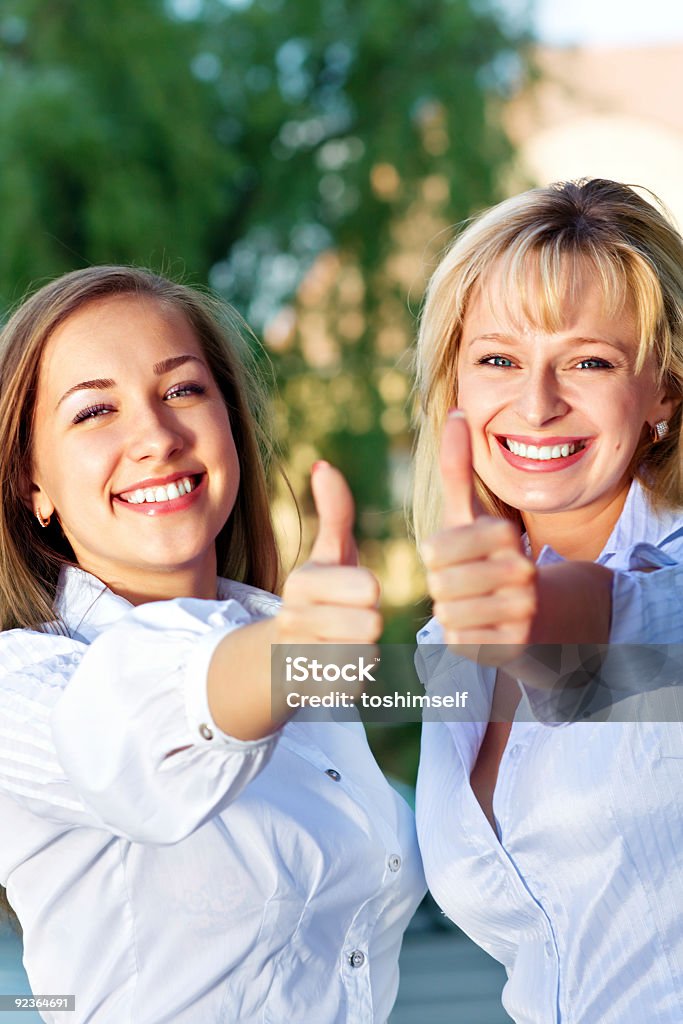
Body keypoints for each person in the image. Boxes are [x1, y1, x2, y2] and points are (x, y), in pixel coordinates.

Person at [0, 266, 424, 1023]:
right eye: (96, 410)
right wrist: (291, 651)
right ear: (33, 483)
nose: (156, 438)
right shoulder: (20, 686)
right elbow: (130, 741)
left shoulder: (294, 658)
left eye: (183, 391)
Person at [412, 179, 683, 1023]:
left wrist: (517, 611)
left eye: (589, 361)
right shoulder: (447, 641)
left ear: (664, 392)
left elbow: (612, 622)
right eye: (496, 359)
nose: (535, 402)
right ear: (454, 381)